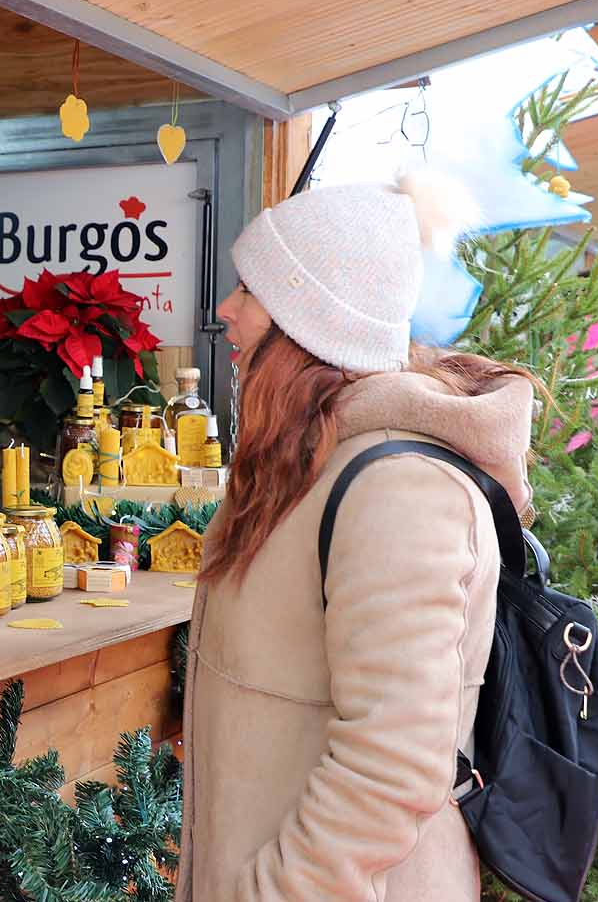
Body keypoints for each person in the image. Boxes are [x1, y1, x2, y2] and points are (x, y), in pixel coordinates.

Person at [178, 172, 538, 901]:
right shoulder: (308, 464)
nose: (226, 312)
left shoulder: (397, 488)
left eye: (250, 292)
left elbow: (392, 763)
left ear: (305, 320)